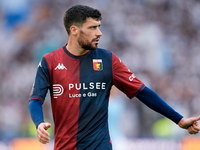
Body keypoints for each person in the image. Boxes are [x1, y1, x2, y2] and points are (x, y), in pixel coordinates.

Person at [28, 4, 200, 150]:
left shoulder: (108, 60)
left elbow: (143, 92)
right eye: (93, 27)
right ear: (74, 30)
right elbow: (36, 99)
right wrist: (39, 123)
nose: (99, 33)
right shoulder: (49, 61)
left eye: (99, 26)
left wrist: (179, 119)